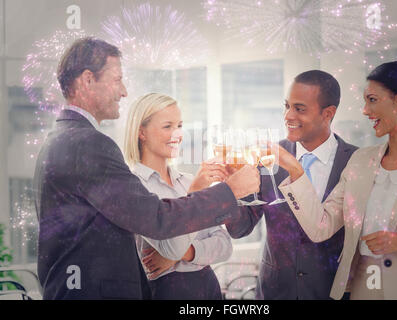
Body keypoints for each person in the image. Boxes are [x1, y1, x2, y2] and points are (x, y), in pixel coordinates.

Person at [33, 37, 260, 299]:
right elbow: (157, 219)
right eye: (117, 79)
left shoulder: (58, 140)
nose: (124, 91)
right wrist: (228, 191)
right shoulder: (89, 144)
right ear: (87, 80)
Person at [276, 61, 397, 299]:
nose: (365, 111)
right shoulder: (361, 161)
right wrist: (295, 170)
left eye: (372, 100)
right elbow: (320, 227)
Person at [225, 70, 358, 299]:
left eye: (299, 108)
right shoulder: (268, 158)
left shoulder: (355, 163)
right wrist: (231, 189)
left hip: (330, 292)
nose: (288, 116)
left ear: (328, 114)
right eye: (286, 106)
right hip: (274, 292)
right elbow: (239, 229)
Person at [123, 93, 232, 299]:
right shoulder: (134, 187)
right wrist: (196, 194)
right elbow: (172, 246)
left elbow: (224, 245)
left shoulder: (188, 180)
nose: (178, 135)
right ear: (142, 133)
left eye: (179, 125)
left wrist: (184, 254)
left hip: (209, 288)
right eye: (168, 126)